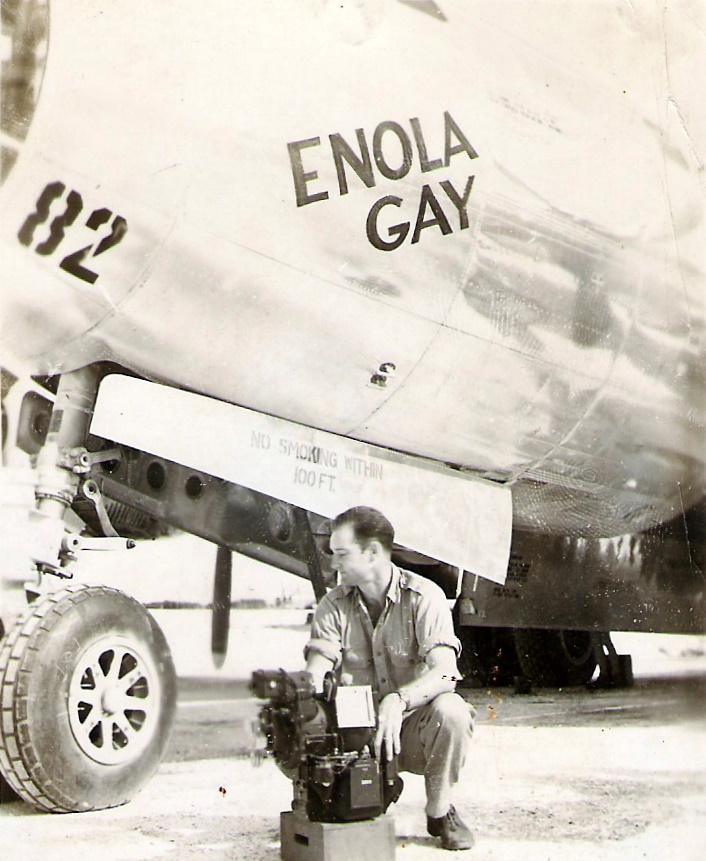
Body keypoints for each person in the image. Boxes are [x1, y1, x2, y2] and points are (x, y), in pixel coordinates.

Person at [304, 506, 476, 851]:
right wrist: (308, 686)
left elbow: (445, 671)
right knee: (299, 722)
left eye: (341, 554)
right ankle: (328, 799)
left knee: (452, 712)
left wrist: (397, 701)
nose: (334, 564)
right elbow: (319, 661)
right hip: (354, 739)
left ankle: (440, 812)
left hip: (409, 734)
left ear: (372, 553)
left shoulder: (425, 598)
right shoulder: (332, 606)